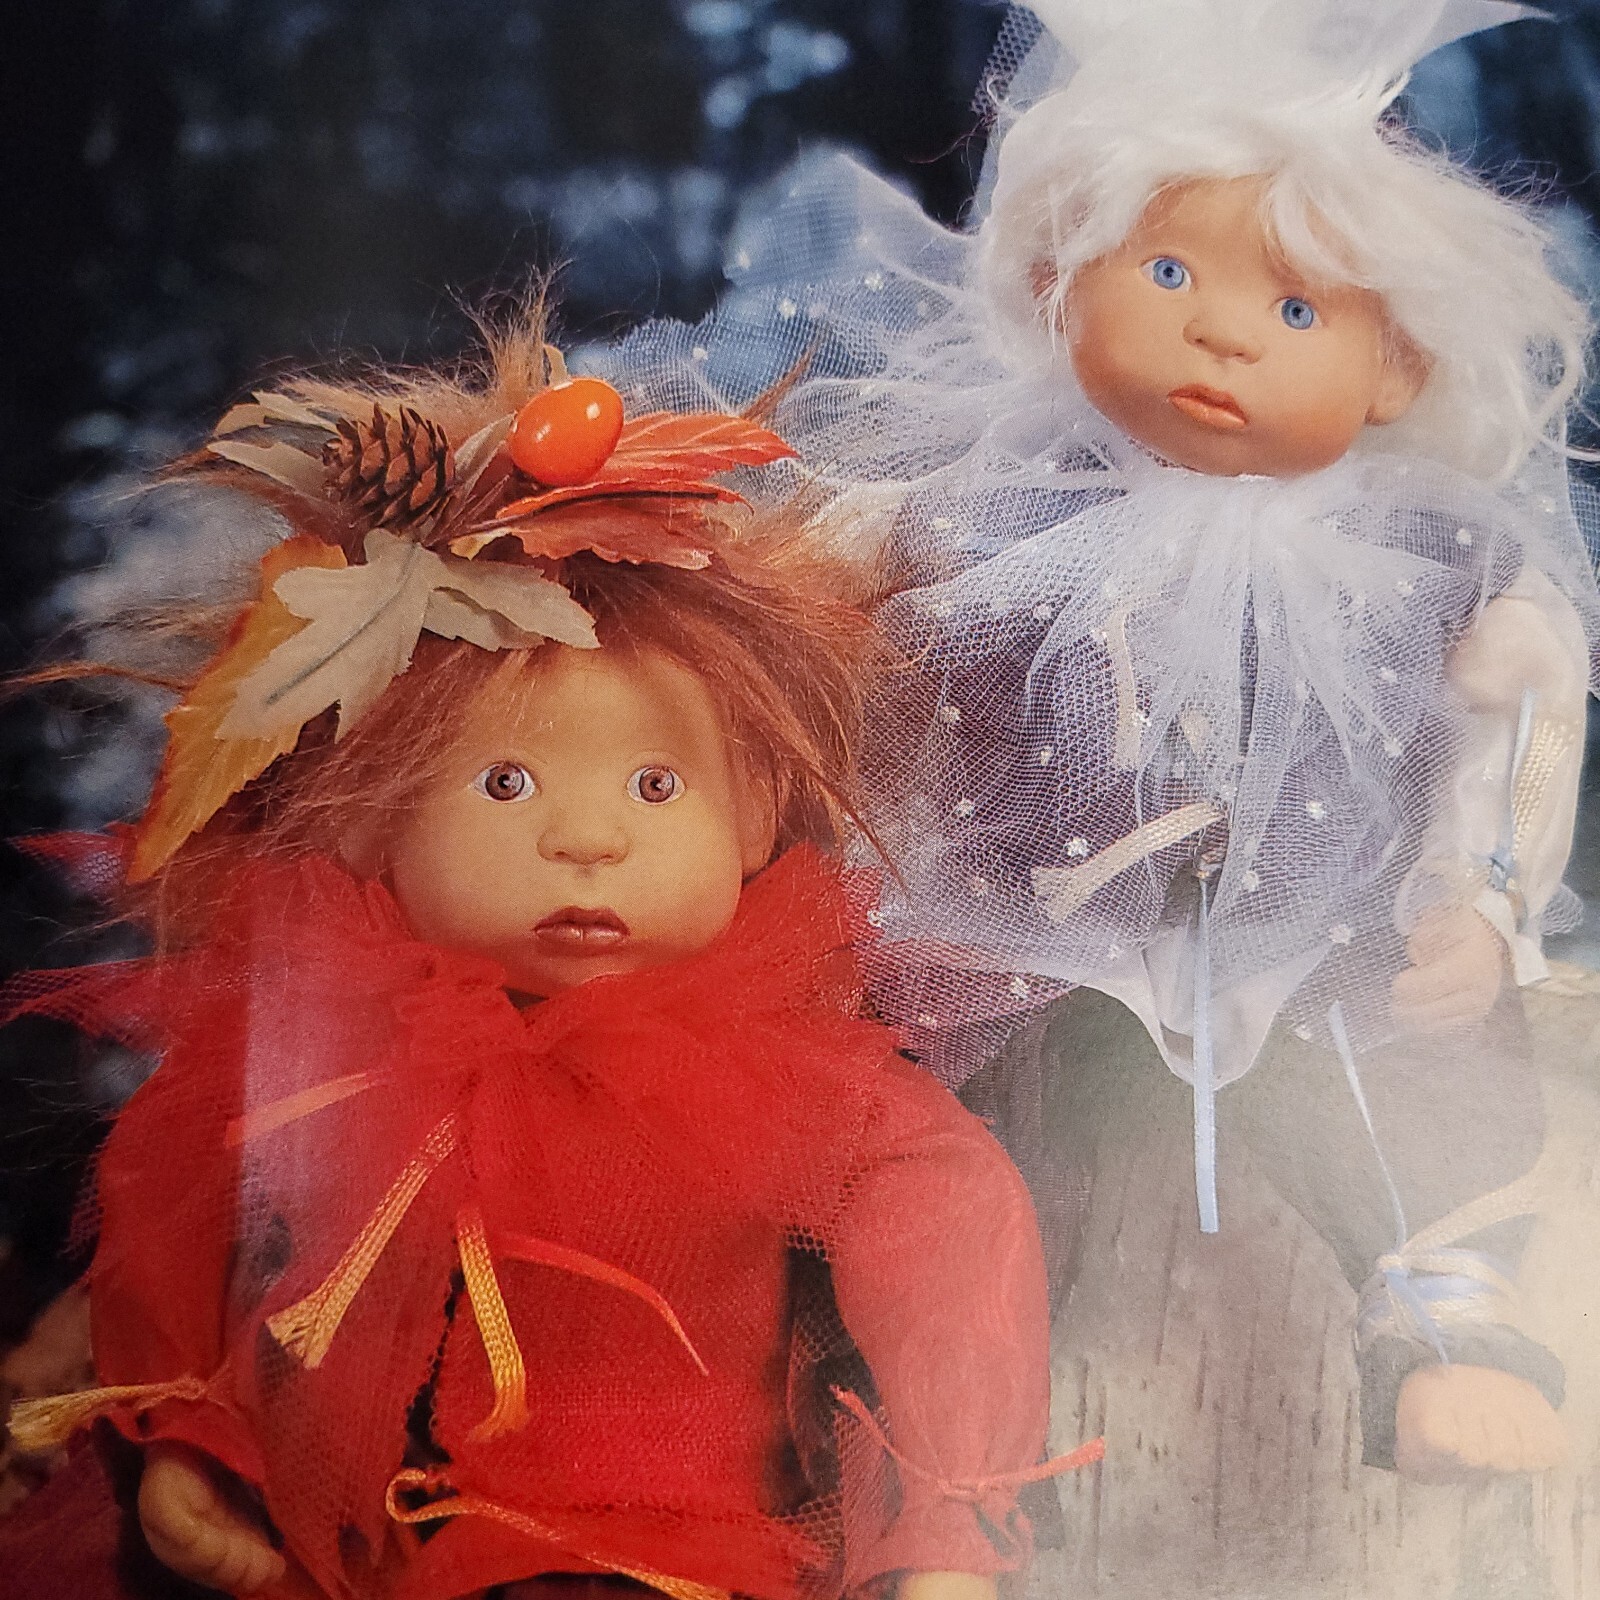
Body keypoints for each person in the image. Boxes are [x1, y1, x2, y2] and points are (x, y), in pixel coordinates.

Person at [607, 0, 1600, 1482]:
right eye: (1171, 271)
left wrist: (1485, 899)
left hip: (1315, 931)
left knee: (1409, 1070)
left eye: (1301, 314)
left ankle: (1444, 1317)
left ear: (1394, 371)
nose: (1222, 330)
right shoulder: (995, 507)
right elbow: (814, 593)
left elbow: (1514, 722)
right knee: (903, 1132)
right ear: (1058, 282)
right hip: (999, 925)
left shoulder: (1428, 556)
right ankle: (852, 1389)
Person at [0, 318, 1080, 1599]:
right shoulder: (334, 1045)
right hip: (383, 1551)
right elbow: (192, 1194)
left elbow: (947, 1238)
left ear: (753, 817)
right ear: (376, 813)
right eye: (505, 783)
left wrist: (951, 1522)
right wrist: (192, 1434)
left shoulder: (794, 1072)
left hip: (687, 1550)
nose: (585, 837)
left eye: (655, 784)